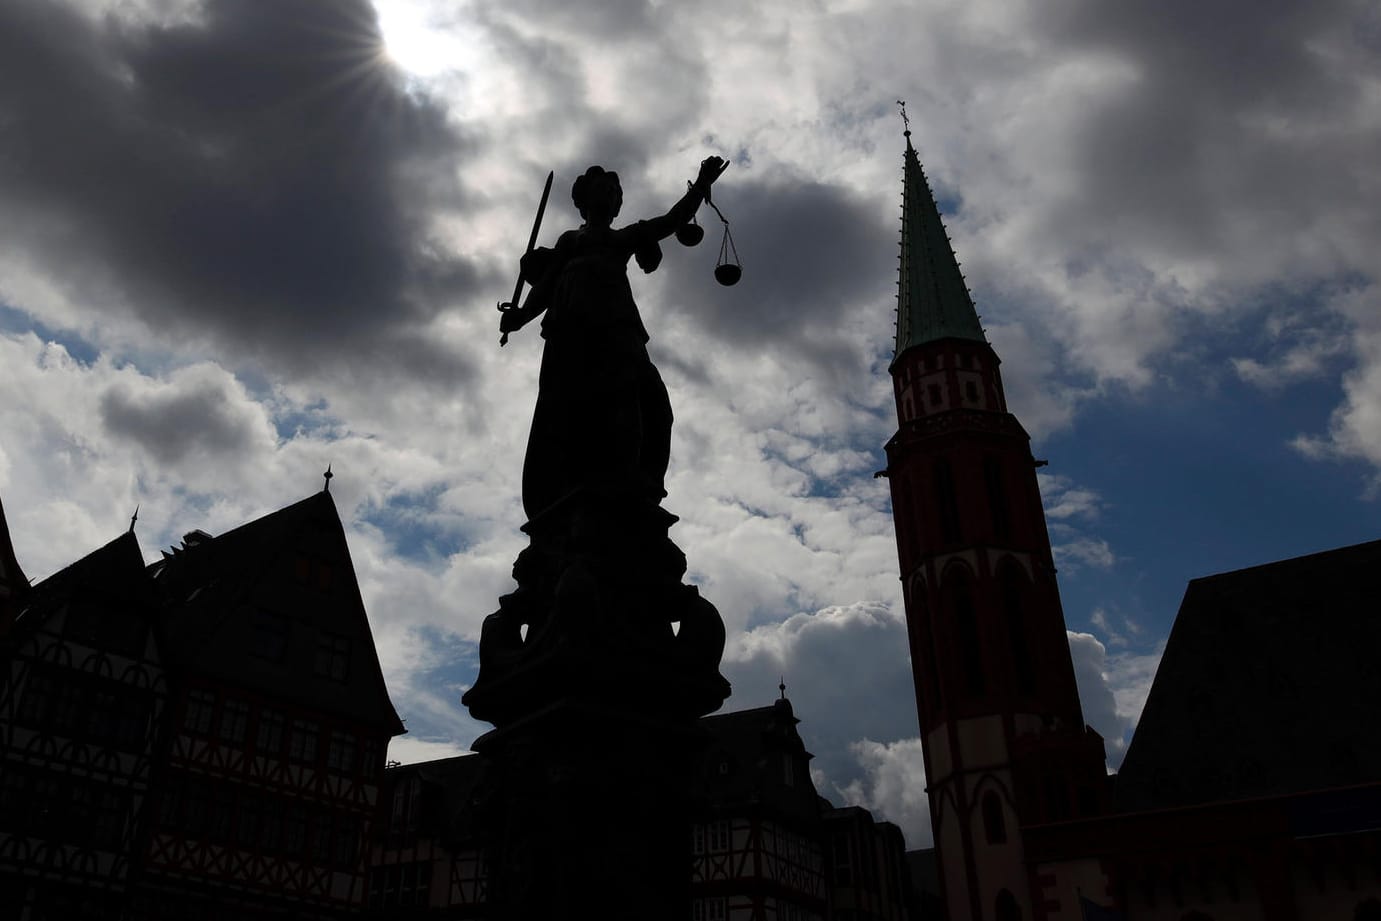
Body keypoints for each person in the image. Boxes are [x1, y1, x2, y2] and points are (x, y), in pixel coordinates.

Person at [500, 156, 728, 519]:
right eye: (603, 189)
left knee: (653, 404)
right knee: (589, 408)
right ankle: (599, 483)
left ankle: (640, 482)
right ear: (584, 200)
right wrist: (520, 317)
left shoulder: (625, 238)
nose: (610, 195)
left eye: (614, 191)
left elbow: (671, 221)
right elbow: (545, 287)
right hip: (573, 336)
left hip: (620, 332)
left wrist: (701, 185)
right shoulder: (571, 242)